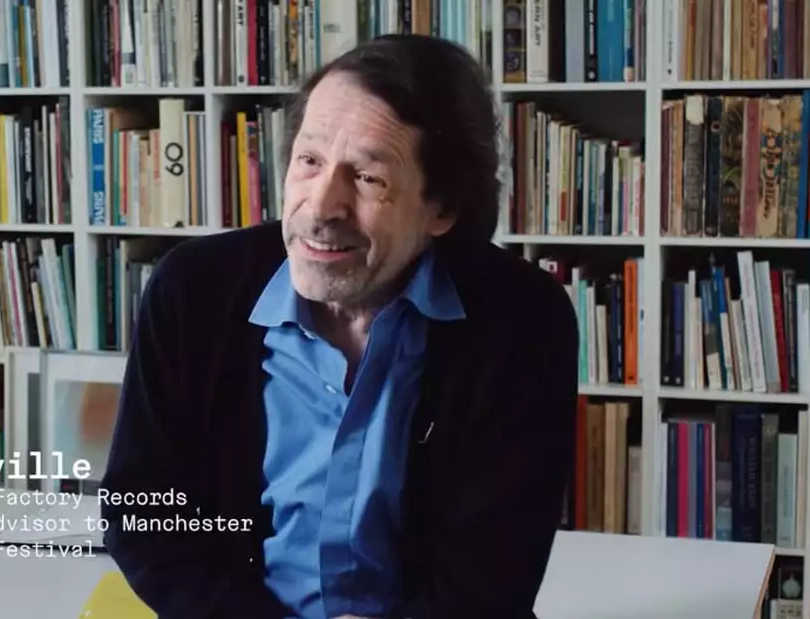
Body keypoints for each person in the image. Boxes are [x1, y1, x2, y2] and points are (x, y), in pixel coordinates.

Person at [99, 34, 579, 619]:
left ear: (442, 209)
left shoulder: (523, 321)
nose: (321, 207)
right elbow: (144, 514)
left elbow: (492, 575)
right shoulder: (191, 292)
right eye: (309, 161)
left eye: (369, 178)